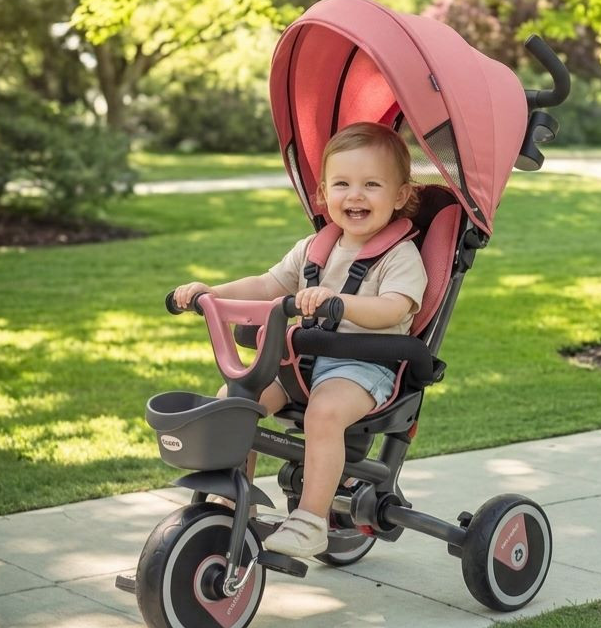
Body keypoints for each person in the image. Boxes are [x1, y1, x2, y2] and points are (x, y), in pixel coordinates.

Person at [173, 121, 428, 558]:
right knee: (233, 401)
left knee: (324, 414)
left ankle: (311, 520)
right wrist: (212, 293)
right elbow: (265, 285)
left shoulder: (400, 256)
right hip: (300, 364)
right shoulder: (313, 249)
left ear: (401, 195)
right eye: (342, 184)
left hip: (363, 368)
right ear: (323, 193)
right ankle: (231, 498)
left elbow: (394, 308)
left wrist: (340, 303)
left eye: (372, 185)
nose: (355, 196)